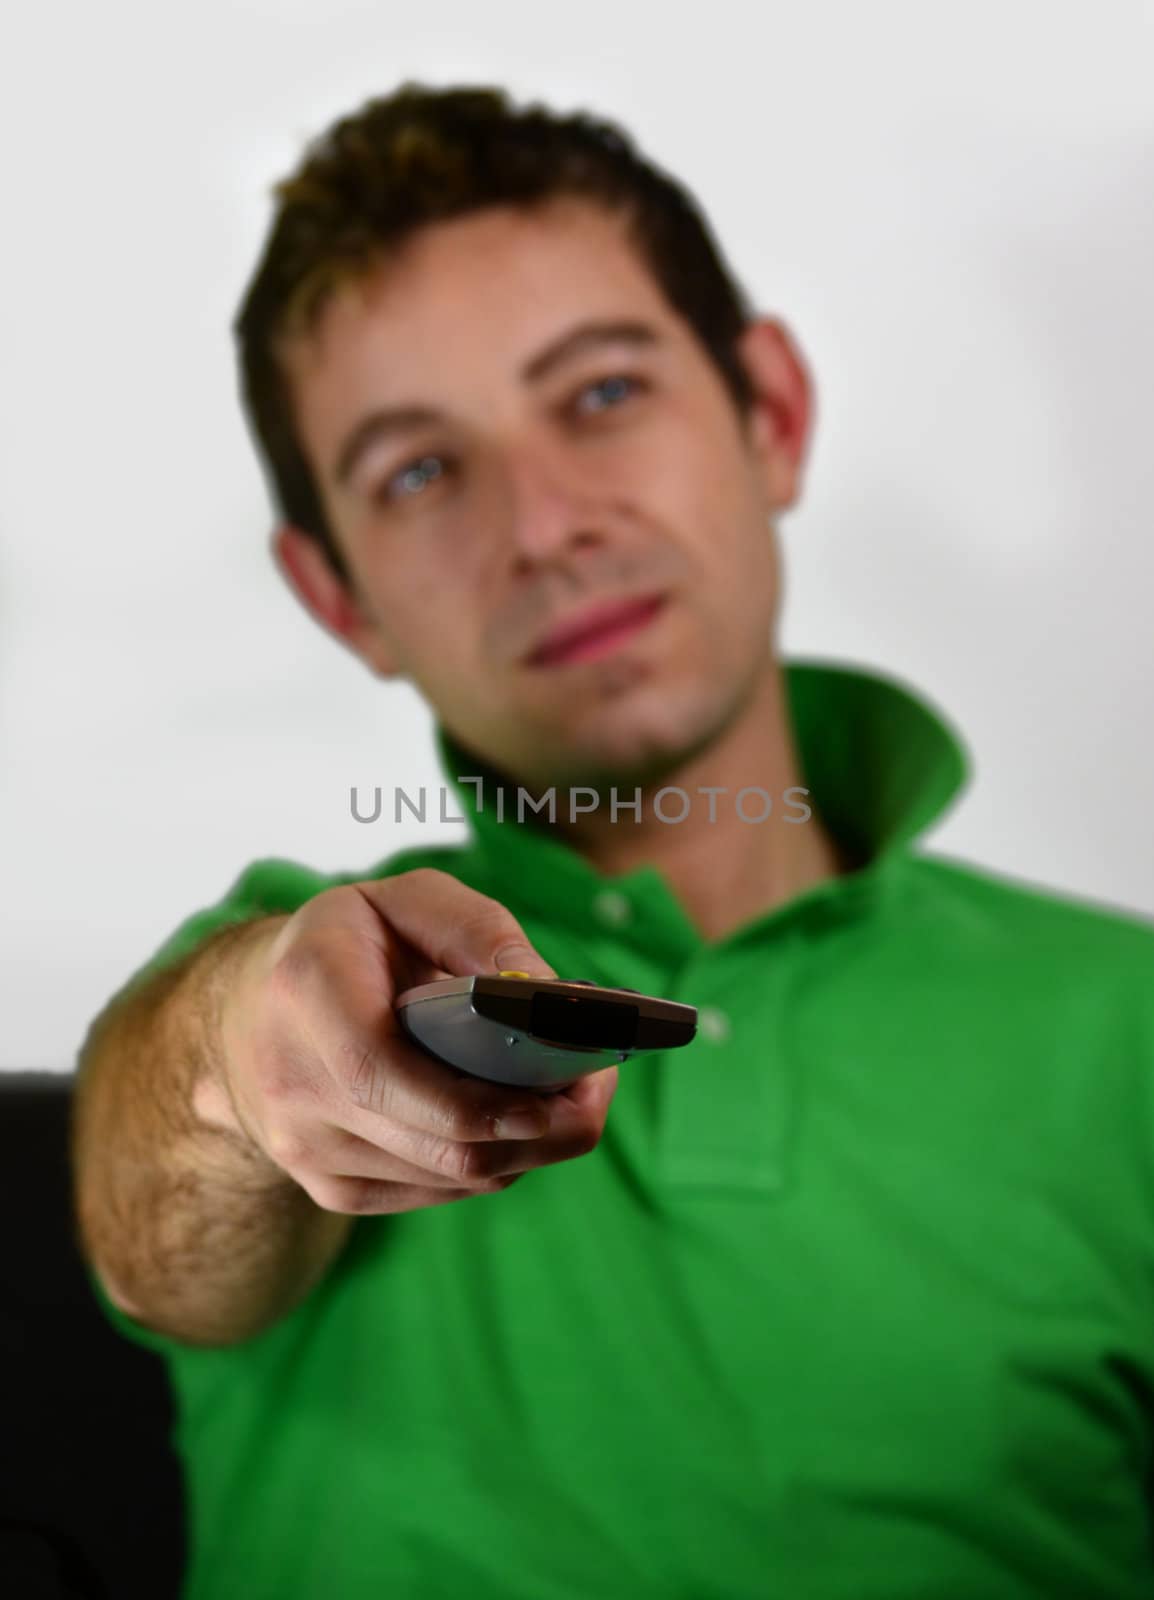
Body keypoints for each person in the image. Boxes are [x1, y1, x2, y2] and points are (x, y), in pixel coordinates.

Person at [71, 82, 1154, 1600]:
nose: (543, 523)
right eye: (422, 471)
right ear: (340, 600)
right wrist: (236, 1070)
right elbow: (146, 1217)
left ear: (768, 414)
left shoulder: (1134, 1026)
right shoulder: (288, 961)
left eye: (598, 394)